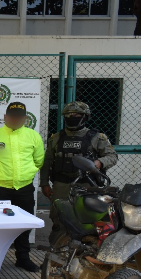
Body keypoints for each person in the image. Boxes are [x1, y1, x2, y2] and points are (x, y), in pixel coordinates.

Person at [0, 102, 45, 272]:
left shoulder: (33, 136)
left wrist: (27, 174)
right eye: (12, 117)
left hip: (24, 188)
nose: (15, 119)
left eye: (19, 117)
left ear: (25, 119)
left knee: (24, 225)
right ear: (5, 117)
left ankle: (23, 258)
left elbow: (38, 160)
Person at [40, 101, 118, 246]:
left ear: (85, 117)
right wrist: (44, 183)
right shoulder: (56, 138)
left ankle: (87, 250)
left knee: (88, 219)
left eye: (76, 115)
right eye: (68, 115)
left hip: (87, 185)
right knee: (59, 218)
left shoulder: (97, 137)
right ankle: (58, 249)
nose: (72, 117)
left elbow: (112, 156)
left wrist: (99, 163)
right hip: (61, 185)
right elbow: (47, 162)